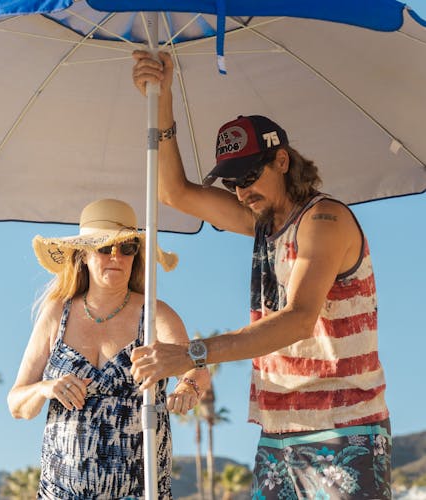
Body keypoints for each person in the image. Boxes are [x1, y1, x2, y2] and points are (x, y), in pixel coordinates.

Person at [129, 51, 391, 499]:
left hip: (345, 432)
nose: (241, 191)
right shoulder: (263, 224)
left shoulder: (324, 220)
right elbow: (174, 192)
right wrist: (163, 97)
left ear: (283, 162)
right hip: (277, 435)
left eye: (249, 175)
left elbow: (298, 318)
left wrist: (193, 354)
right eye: (231, 182)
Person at [7, 198, 210, 499]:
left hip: (141, 492)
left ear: (135, 256)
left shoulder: (155, 314)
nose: (116, 256)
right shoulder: (56, 314)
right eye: (104, 247)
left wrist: (188, 388)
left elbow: (198, 364)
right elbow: (17, 404)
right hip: (59, 493)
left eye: (126, 248)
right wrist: (46, 388)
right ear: (84, 256)